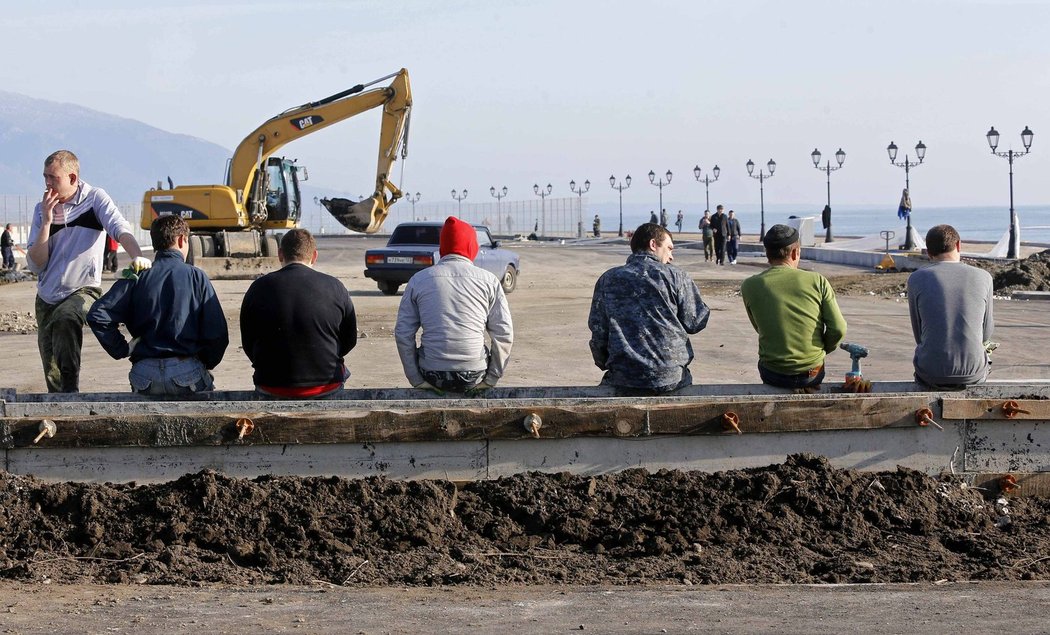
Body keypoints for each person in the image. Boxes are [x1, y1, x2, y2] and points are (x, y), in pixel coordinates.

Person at [25, 150, 151, 393]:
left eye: (53, 178)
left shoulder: (94, 199)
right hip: (46, 296)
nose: (47, 184)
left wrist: (137, 256)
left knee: (66, 319)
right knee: (51, 364)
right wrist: (47, 221)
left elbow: (119, 228)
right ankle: (59, 403)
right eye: (45, 177)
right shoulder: (42, 209)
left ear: (72, 178)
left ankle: (71, 394)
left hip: (82, 289)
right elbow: (36, 264)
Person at [87, 215, 228, 396]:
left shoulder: (136, 276)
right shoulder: (196, 276)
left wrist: (122, 349)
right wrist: (206, 362)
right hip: (186, 372)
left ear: (155, 242)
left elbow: (98, 314)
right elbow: (217, 333)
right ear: (181, 239)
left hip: (144, 376)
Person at [395, 216, 513, 393]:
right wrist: (491, 379)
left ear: (443, 246)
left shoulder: (418, 280)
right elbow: (504, 333)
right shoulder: (490, 281)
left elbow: (403, 333)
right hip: (475, 373)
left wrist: (416, 379)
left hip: (432, 373)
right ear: (471, 246)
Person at [588, 223, 710, 394]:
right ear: (653, 245)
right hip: (670, 377)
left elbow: (598, 331)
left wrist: (605, 362)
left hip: (624, 377)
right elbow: (696, 322)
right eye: (669, 248)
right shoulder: (676, 276)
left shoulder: (608, 279)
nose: (671, 257)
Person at [240, 228, 358, 398]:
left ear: (280, 254)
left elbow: (248, 342)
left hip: (271, 385)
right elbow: (349, 340)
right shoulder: (335, 287)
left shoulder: (258, 288)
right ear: (314, 256)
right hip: (326, 386)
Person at [740, 224, 846, 391]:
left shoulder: (749, 285)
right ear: (796, 252)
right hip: (811, 373)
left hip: (774, 373)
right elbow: (839, 328)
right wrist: (822, 349)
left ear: (768, 255)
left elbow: (759, 327)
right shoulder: (817, 281)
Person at [907, 224, 994, 388]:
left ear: (929, 251)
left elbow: (919, 336)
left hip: (930, 373)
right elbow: (986, 333)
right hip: (973, 373)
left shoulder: (916, 279)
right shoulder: (984, 277)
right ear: (958, 245)